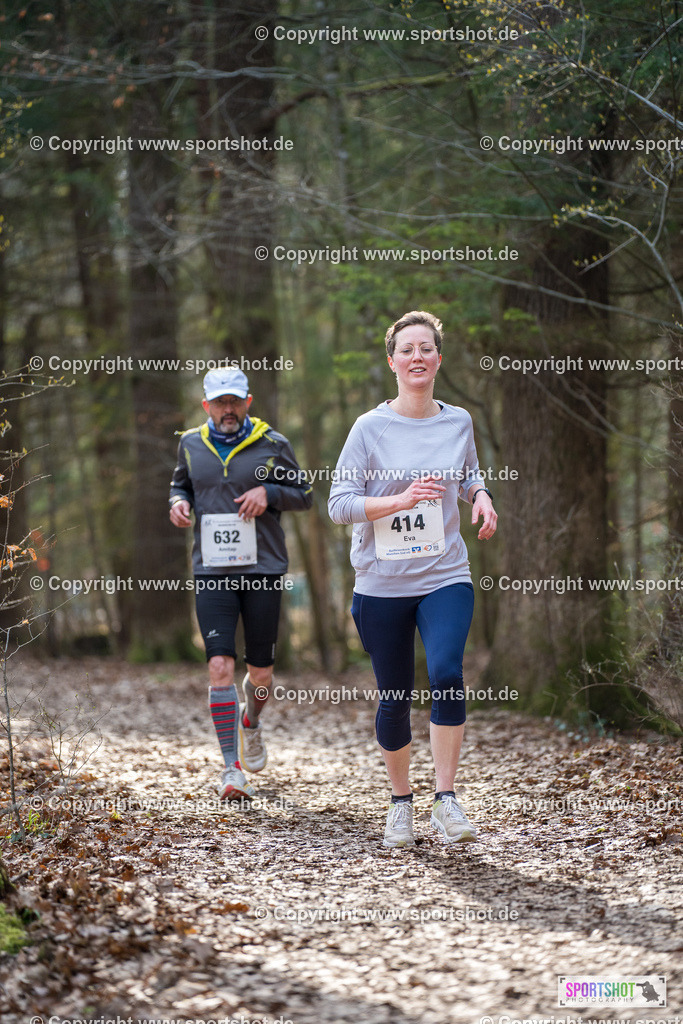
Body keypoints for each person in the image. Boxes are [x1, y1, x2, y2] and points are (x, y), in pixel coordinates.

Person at [328, 311, 497, 847]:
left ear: (438, 360)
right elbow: (338, 504)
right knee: (394, 695)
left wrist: (483, 496)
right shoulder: (369, 428)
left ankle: (445, 800)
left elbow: (468, 473)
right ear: (393, 362)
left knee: (447, 671)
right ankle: (400, 803)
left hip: (445, 573)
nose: (418, 356)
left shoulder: (459, 421)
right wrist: (398, 501)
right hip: (381, 583)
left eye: (427, 348)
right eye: (408, 349)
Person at [170, 368, 313, 801]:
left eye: (234, 401)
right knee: (219, 666)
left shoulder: (273, 444)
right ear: (206, 406)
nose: (227, 409)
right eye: (220, 402)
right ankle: (231, 769)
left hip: (263, 570)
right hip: (212, 571)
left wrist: (269, 492)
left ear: (248, 402)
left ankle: (251, 719)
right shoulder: (191, 443)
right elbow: (181, 483)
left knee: (261, 673)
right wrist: (178, 501)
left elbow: (304, 494)